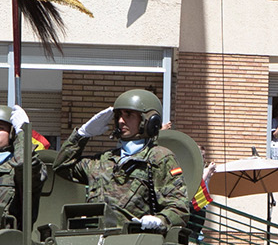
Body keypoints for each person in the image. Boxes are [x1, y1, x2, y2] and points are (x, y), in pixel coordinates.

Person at [50, 88, 191, 232]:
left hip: (133, 244)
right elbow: (61, 166)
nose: (121, 121)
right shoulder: (104, 160)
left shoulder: (159, 158)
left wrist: (161, 220)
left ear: (148, 121)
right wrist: (82, 134)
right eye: (118, 116)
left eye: (128, 115)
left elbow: (179, 206)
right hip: (93, 241)